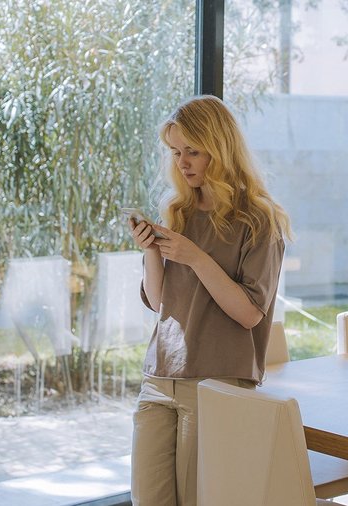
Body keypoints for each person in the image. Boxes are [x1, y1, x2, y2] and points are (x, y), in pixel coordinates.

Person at [128, 95, 292, 506]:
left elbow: (250, 313)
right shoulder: (178, 211)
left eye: (193, 151)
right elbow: (160, 301)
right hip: (160, 377)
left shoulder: (258, 219)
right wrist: (151, 249)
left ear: (219, 149)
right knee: (147, 500)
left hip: (216, 382)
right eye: (175, 152)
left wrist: (196, 258)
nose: (182, 163)